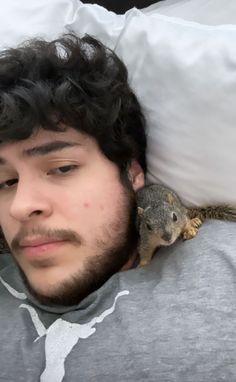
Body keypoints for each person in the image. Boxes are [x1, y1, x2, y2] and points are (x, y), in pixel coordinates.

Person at [0, 33, 235, 382]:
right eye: (5, 181)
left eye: (62, 168)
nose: (21, 206)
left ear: (132, 171)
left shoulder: (224, 264)